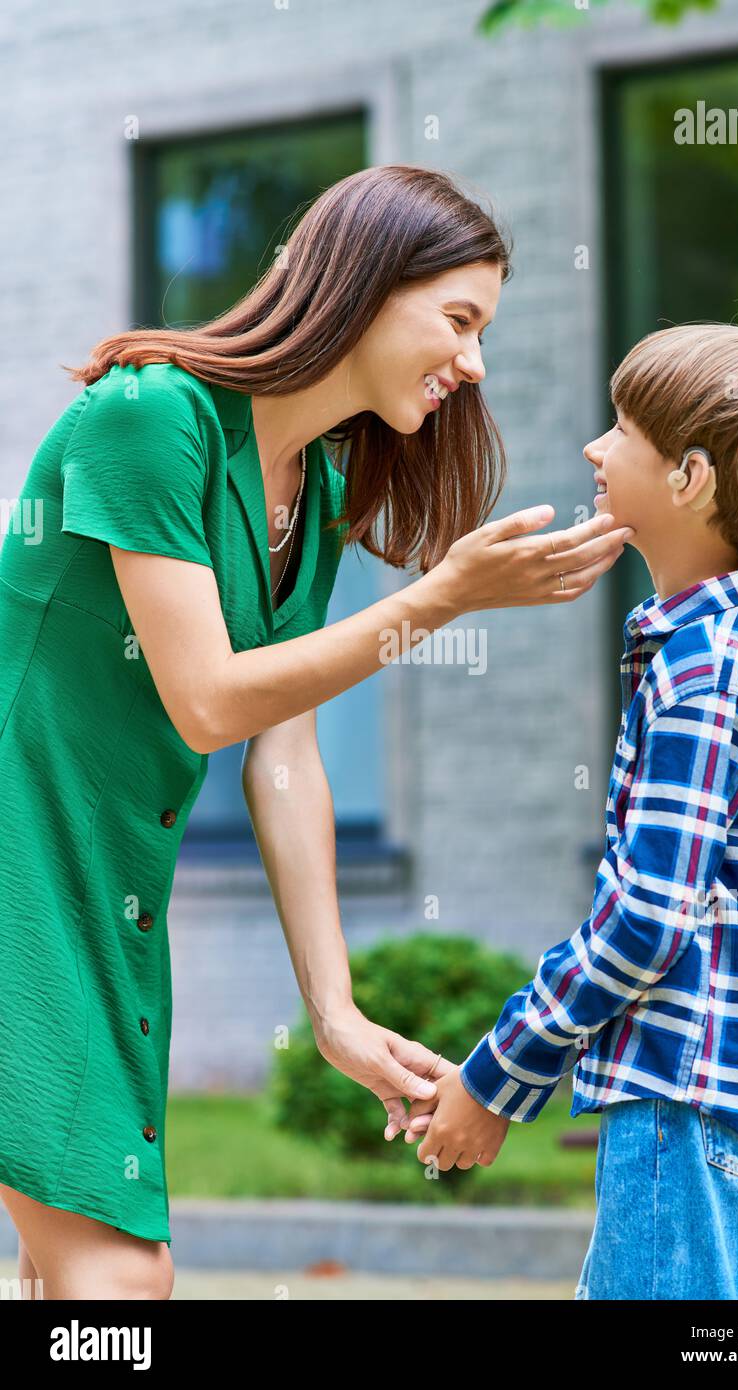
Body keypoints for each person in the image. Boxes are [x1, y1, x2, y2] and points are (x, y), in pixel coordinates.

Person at [0, 163, 633, 1300]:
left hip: (111, 900)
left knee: (76, 1284)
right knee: (119, 1288)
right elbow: (207, 699)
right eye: (458, 320)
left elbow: (280, 754)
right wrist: (438, 600)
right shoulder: (152, 414)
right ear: (363, 284)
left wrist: (332, 1010)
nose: (471, 362)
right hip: (20, 881)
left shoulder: (314, 488)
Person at [402, 321, 738, 1301]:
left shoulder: (705, 669)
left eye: (620, 430)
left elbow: (644, 920)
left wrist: (492, 1078)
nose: (593, 449)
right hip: (721, 1105)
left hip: (679, 1100)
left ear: (688, 478)